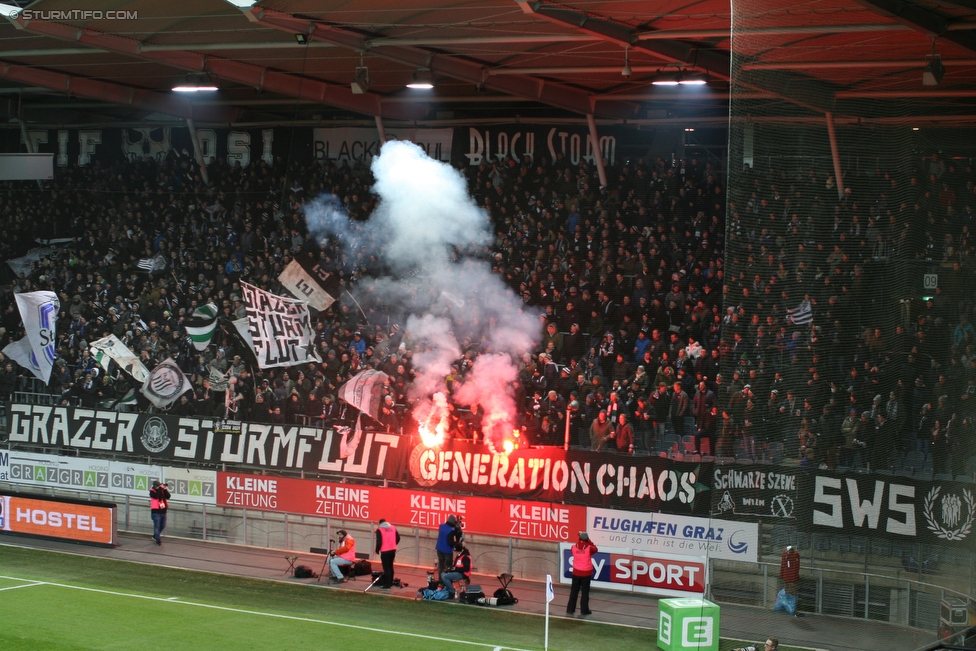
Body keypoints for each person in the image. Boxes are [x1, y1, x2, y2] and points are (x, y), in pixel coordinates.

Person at [566, 531, 598, 616]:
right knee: (585, 592)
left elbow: (575, 548)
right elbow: (595, 549)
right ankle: (584, 610)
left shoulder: (574, 547)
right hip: (586, 573)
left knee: (573, 592)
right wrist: (589, 541)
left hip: (576, 572)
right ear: (587, 539)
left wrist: (580, 540)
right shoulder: (589, 548)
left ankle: (570, 609)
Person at [374, 518, 400, 588]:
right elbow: (398, 538)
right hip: (393, 550)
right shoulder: (393, 527)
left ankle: (387, 584)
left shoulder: (379, 530)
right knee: (390, 566)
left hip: (385, 551)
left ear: (379, 524)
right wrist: (393, 544)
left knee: (386, 568)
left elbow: (379, 542)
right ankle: (390, 582)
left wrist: (377, 550)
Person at [149, 480, 171, 546]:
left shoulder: (161, 490)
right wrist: (160, 488)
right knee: (157, 526)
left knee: (163, 525)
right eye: (158, 486)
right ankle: (158, 540)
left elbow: (168, 496)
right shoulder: (152, 491)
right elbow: (156, 496)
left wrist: (165, 489)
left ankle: (155, 535)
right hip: (156, 512)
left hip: (163, 511)